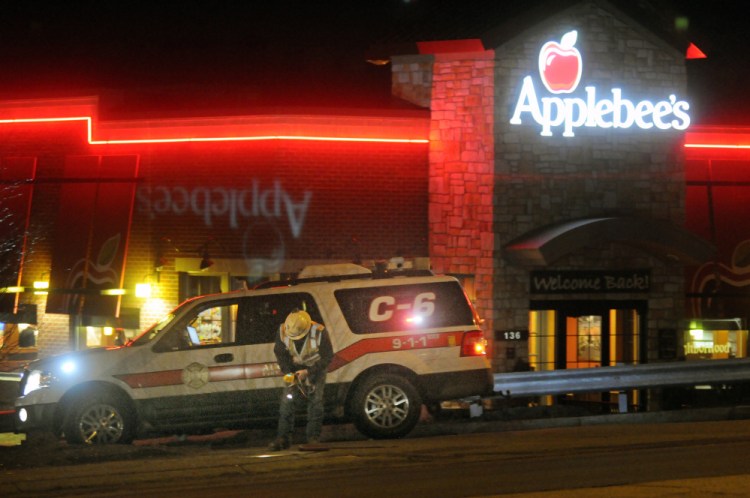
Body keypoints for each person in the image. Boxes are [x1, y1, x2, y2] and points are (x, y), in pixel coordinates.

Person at [268, 309, 333, 451]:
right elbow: (280, 354)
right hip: (294, 370)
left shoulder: (319, 331)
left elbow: (327, 356)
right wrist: (289, 373)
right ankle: (283, 438)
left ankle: (313, 439)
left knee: (315, 402)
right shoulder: (283, 331)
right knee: (287, 402)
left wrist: (309, 372)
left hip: (315, 370)